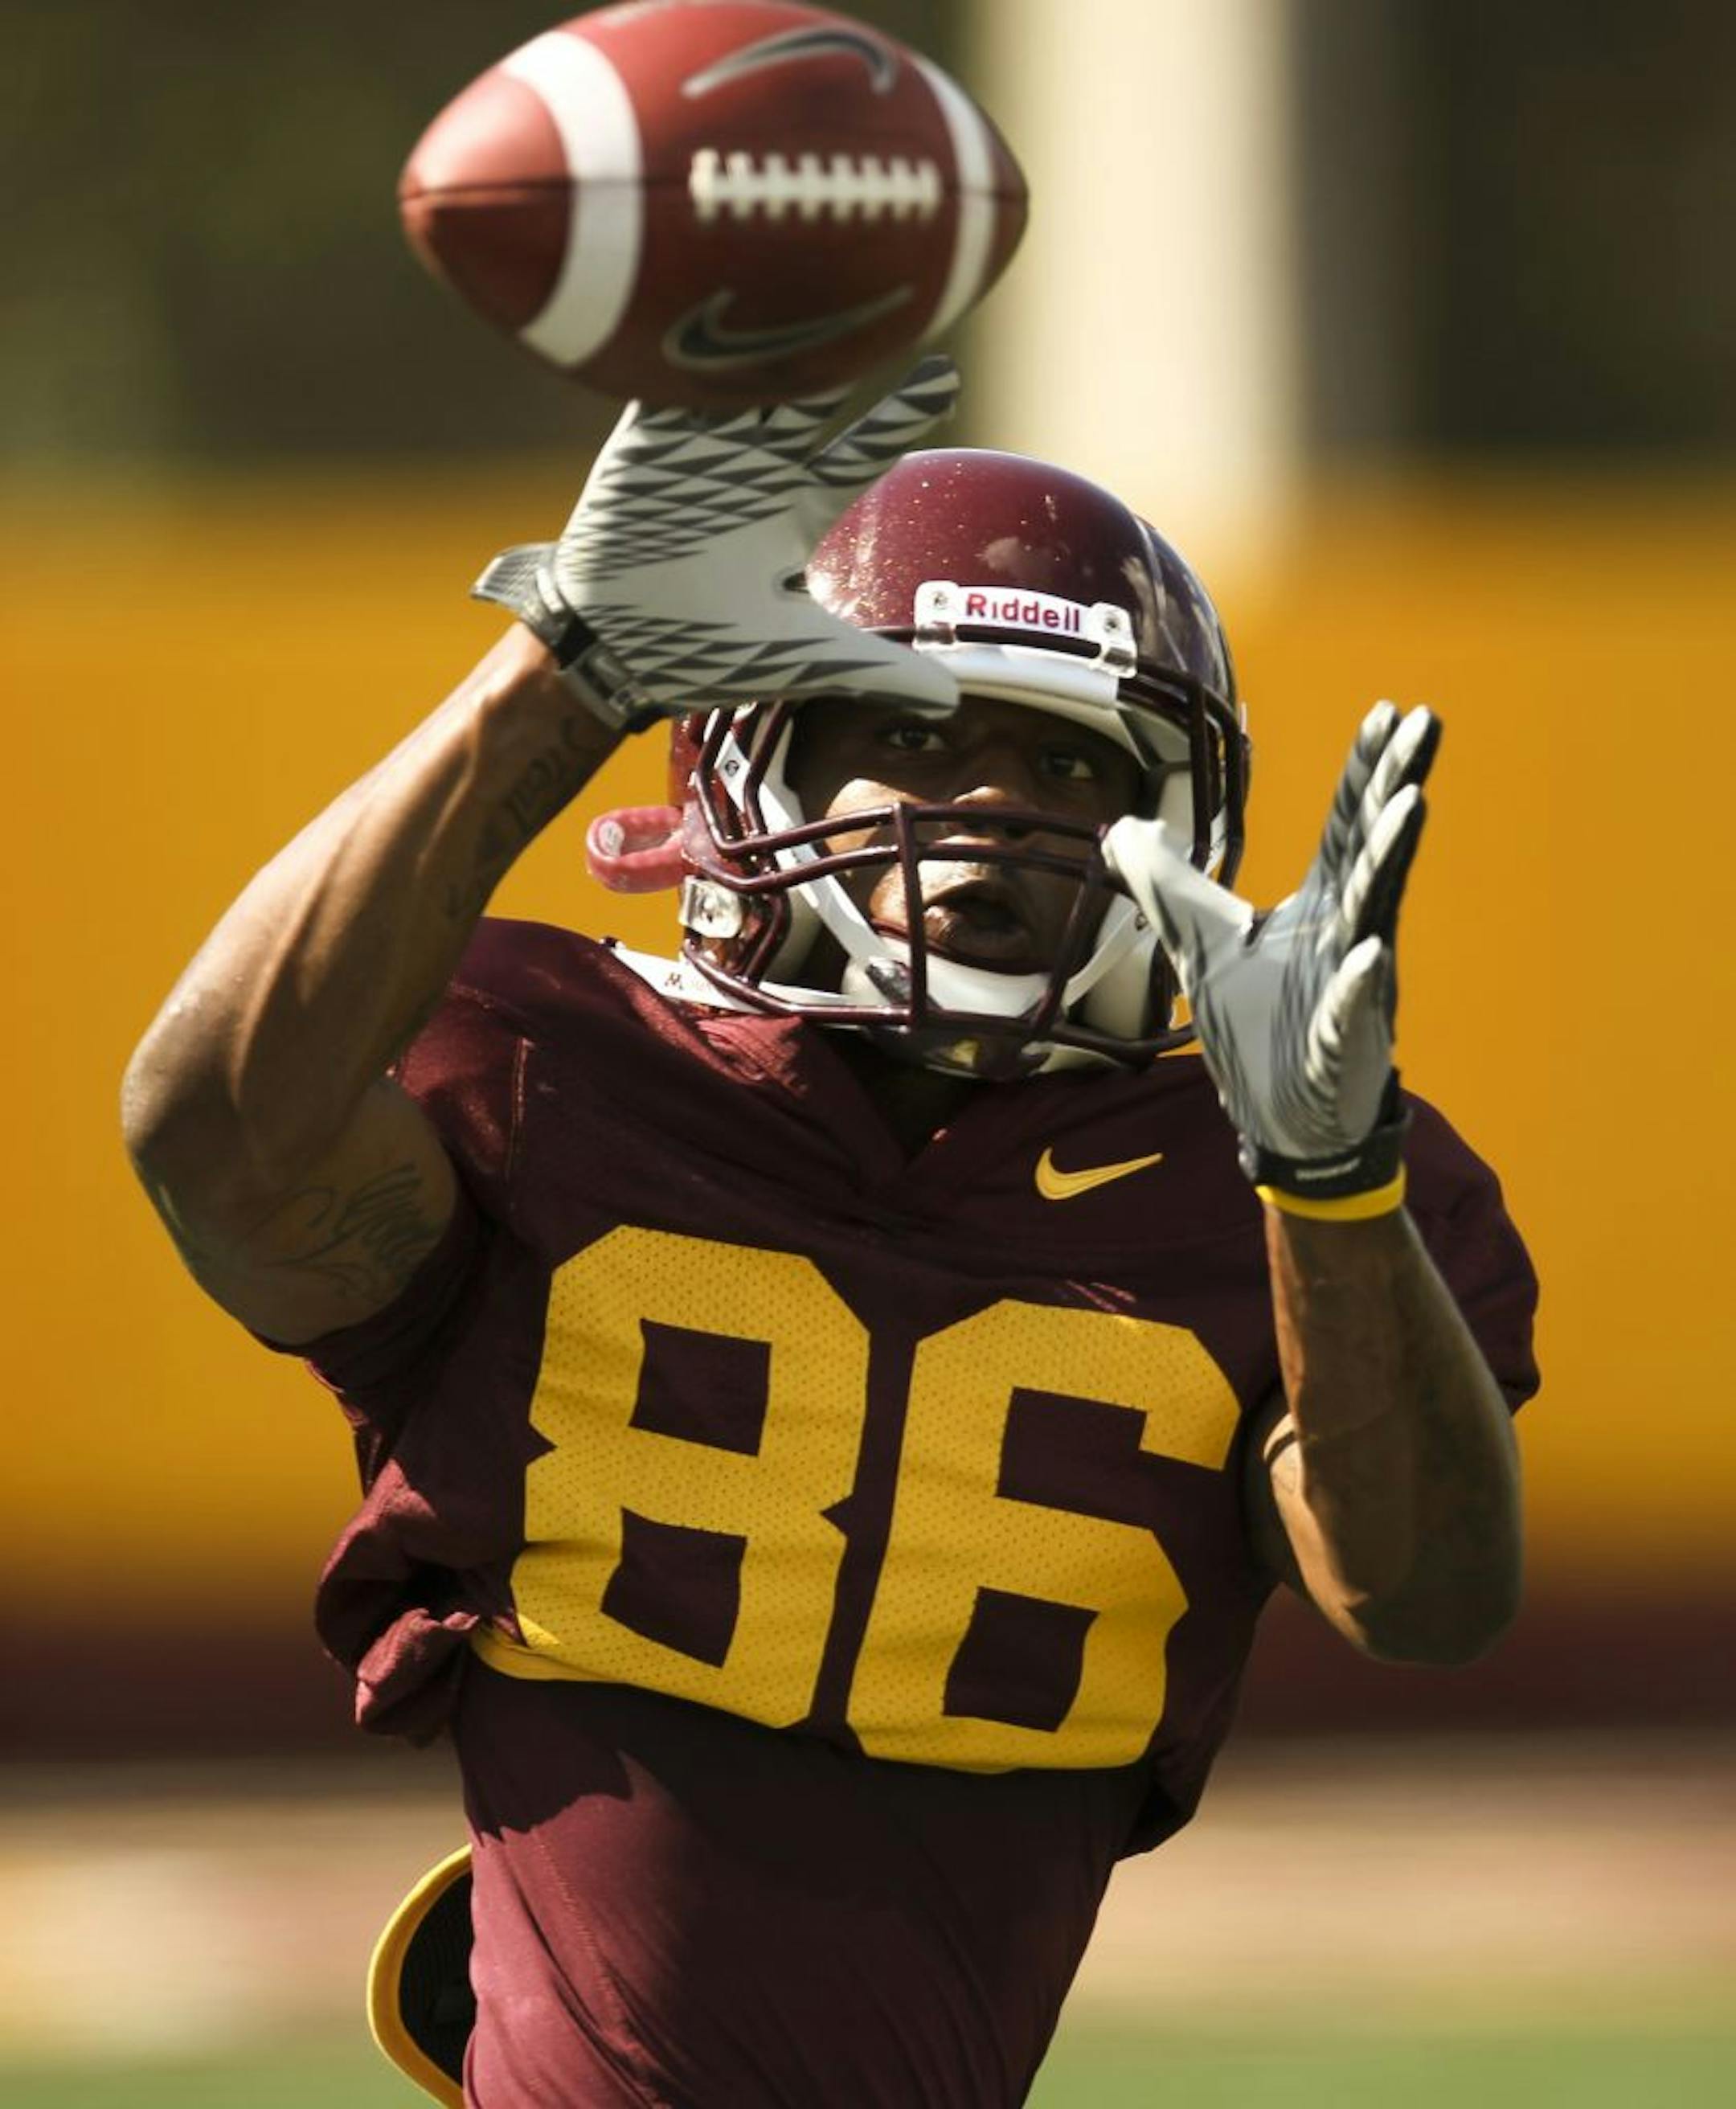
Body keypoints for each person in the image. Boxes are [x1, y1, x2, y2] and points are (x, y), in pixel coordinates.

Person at [121, 358, 1537, 2109]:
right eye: (912, 730)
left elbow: (1426, 1598)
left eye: (1064, 760)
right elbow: (217, 1142)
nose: (997, 807)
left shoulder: (1263, 1193)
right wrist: (568, 668)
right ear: (751, 758)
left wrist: (1333, 1187)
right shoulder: (553, 1071)